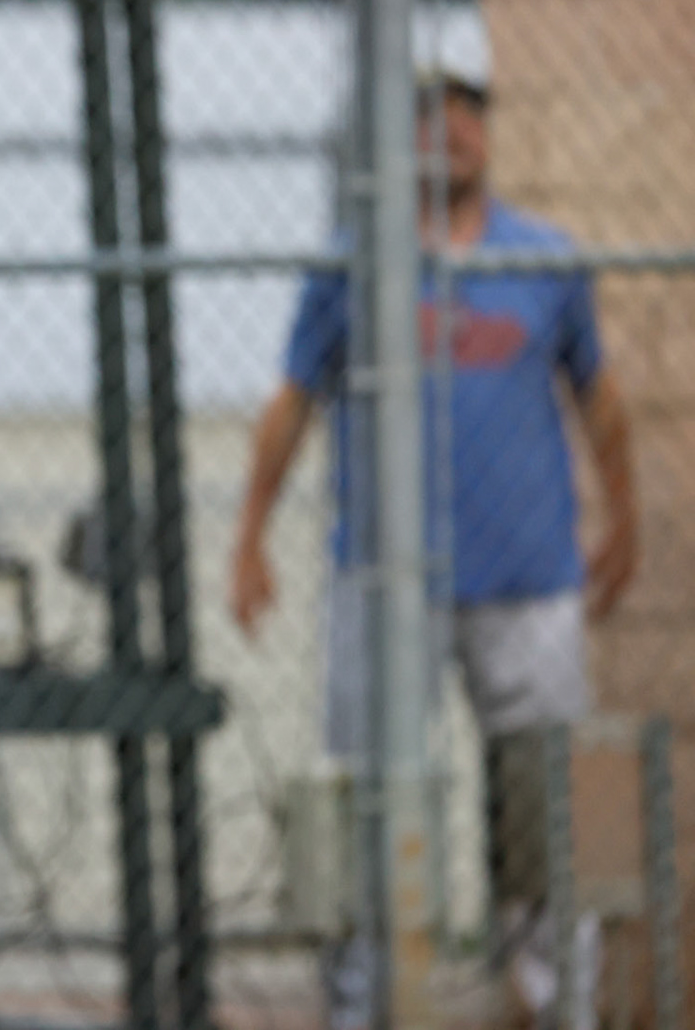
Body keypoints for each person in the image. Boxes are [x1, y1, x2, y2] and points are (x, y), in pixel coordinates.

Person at [230, 74, 639, 1029]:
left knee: (547, 797)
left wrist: (626, 518)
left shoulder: (544, 259)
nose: (447, 133)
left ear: (487, 136)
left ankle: (557, 999)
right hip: (382, 581)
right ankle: (364, 1003)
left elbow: (599, 394)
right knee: (370, 792)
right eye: (424, 116)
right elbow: (293, 399)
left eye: (464, 114)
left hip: (528, 577)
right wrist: (250, 534)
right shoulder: (351, 263)